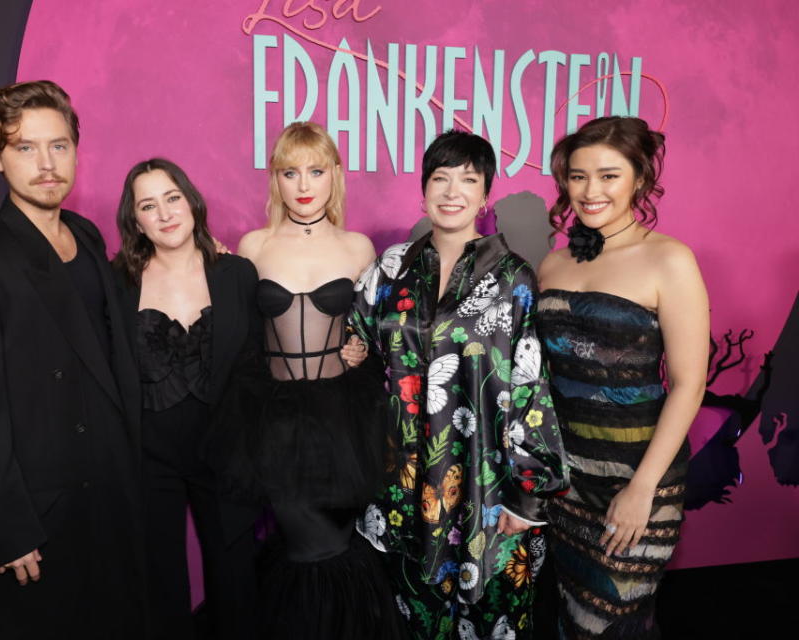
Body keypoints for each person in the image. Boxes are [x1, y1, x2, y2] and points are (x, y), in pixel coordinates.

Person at [0, 81, 144, 639]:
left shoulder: (88, 237)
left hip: (109, 502)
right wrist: (6, 529)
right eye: (25, 148)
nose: (47, 164)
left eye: (59, 146)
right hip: (38, 520)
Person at [351, 130, 568, 640]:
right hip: (403, 486)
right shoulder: (391, 267)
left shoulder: (512, 277)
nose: (452, 191)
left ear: (485, 194)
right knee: (413, 620)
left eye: (467, 179)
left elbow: (529, 381)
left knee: (490, 620)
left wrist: (528, 496)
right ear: (423, 189)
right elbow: (357, 345)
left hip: (486, 487)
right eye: (440, 178)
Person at [222, 121, 404, 639]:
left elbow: (373, 332)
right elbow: (241, 330)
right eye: (290, 172)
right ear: (275, 180)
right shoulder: (253, 245)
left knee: (334, 544)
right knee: (303, 546)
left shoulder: (359, 248)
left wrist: (361, 349)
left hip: (344, 421)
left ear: (335, 177)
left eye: (316, 171)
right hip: (273, 421)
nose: (304, 184)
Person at [536, 116, 709, 639]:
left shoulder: (669, 260)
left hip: (636, 481)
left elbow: (688, 384)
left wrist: (642, 489)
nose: (591, 191)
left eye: (609, 175)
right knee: (570, 612)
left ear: (640, 179)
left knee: (613, 623)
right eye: (579, 176)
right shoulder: (554, 263)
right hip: (566, 483)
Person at [112, 158, 260, 640]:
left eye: (172, 198)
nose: (165, 213)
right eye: (148, 205)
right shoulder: (115, 282)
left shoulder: (237, 273)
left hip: (226, 452)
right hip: (148, 456)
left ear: (192, 201)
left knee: (235, 582)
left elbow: (257, 364)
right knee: (160, 584)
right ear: (135, 220)